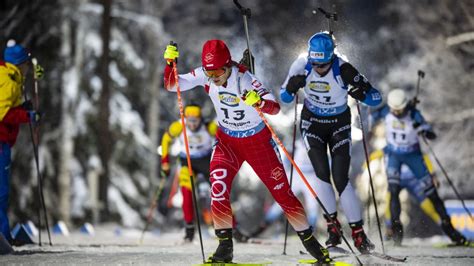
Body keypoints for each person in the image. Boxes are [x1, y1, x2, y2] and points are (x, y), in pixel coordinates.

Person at [163, 40, 332, 263]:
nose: (213, 78)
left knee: (282, 194)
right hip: (227, 143)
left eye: (218, 72)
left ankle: (313, 245)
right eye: (209, 72)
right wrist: (169, 64)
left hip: (257, 143)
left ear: (228, 66)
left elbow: (275, 107)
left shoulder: (245, 79)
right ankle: (225, 247)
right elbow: (172, 85)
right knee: (218, 188)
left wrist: (259, 102)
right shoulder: (206, 74)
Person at [280, 31, 382, 253]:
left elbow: (376, 97)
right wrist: (290, 88)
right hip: (312, 123)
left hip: (339, 124)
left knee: (340, 178)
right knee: (321, 174)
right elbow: (283, 98)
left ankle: (358, 233)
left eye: (323, 64)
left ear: (331, 58)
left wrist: (362, 94)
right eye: (315, 63)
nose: (318, 68)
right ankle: (333, 230)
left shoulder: (343, 68)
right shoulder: (301, 64)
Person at [369, 88, 469, 246]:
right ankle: (396, 231)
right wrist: (364, 123)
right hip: (394, 155)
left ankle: (450, 230)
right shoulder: (386, 110)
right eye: (394, 109)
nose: (396, 112)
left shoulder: (413, 113)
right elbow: (370, 118)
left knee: (432, 194)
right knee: (393, 191)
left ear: (405, 105)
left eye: (399, 109)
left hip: (413, 156)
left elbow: (430, 133)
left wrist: (423, 130)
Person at [0, 40, 41, 250]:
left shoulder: (9, 76)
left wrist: (23, 107)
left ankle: (5, 237)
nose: (27, 69)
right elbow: (4, 113)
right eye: (26, 64)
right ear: (18, 63)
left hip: (4, 140)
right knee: (1, 192)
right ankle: (3, 239)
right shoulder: (8, 79)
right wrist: (28, 115)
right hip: (0, 141)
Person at [160, 104, 217, 242]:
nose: (192, 124)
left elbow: (224, 138)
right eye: (189, 120)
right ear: (185, 119)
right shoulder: (178, 126)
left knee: (219, 191)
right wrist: (165, 163)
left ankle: (232, 226)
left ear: (200, 118)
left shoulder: (209, 126)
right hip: (187, 161)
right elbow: (166, 140)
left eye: (195, 120)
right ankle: (189, 229)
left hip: (206, 161)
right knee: (186, 193)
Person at [252, 139, 320, 238]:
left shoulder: (319, 141)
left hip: (312, 176)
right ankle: (262, 228)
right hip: (296, 174)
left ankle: (311, 232)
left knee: (313, 205)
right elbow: (286, 155)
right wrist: (286, 168)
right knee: (282, 201)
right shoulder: (297, 143)